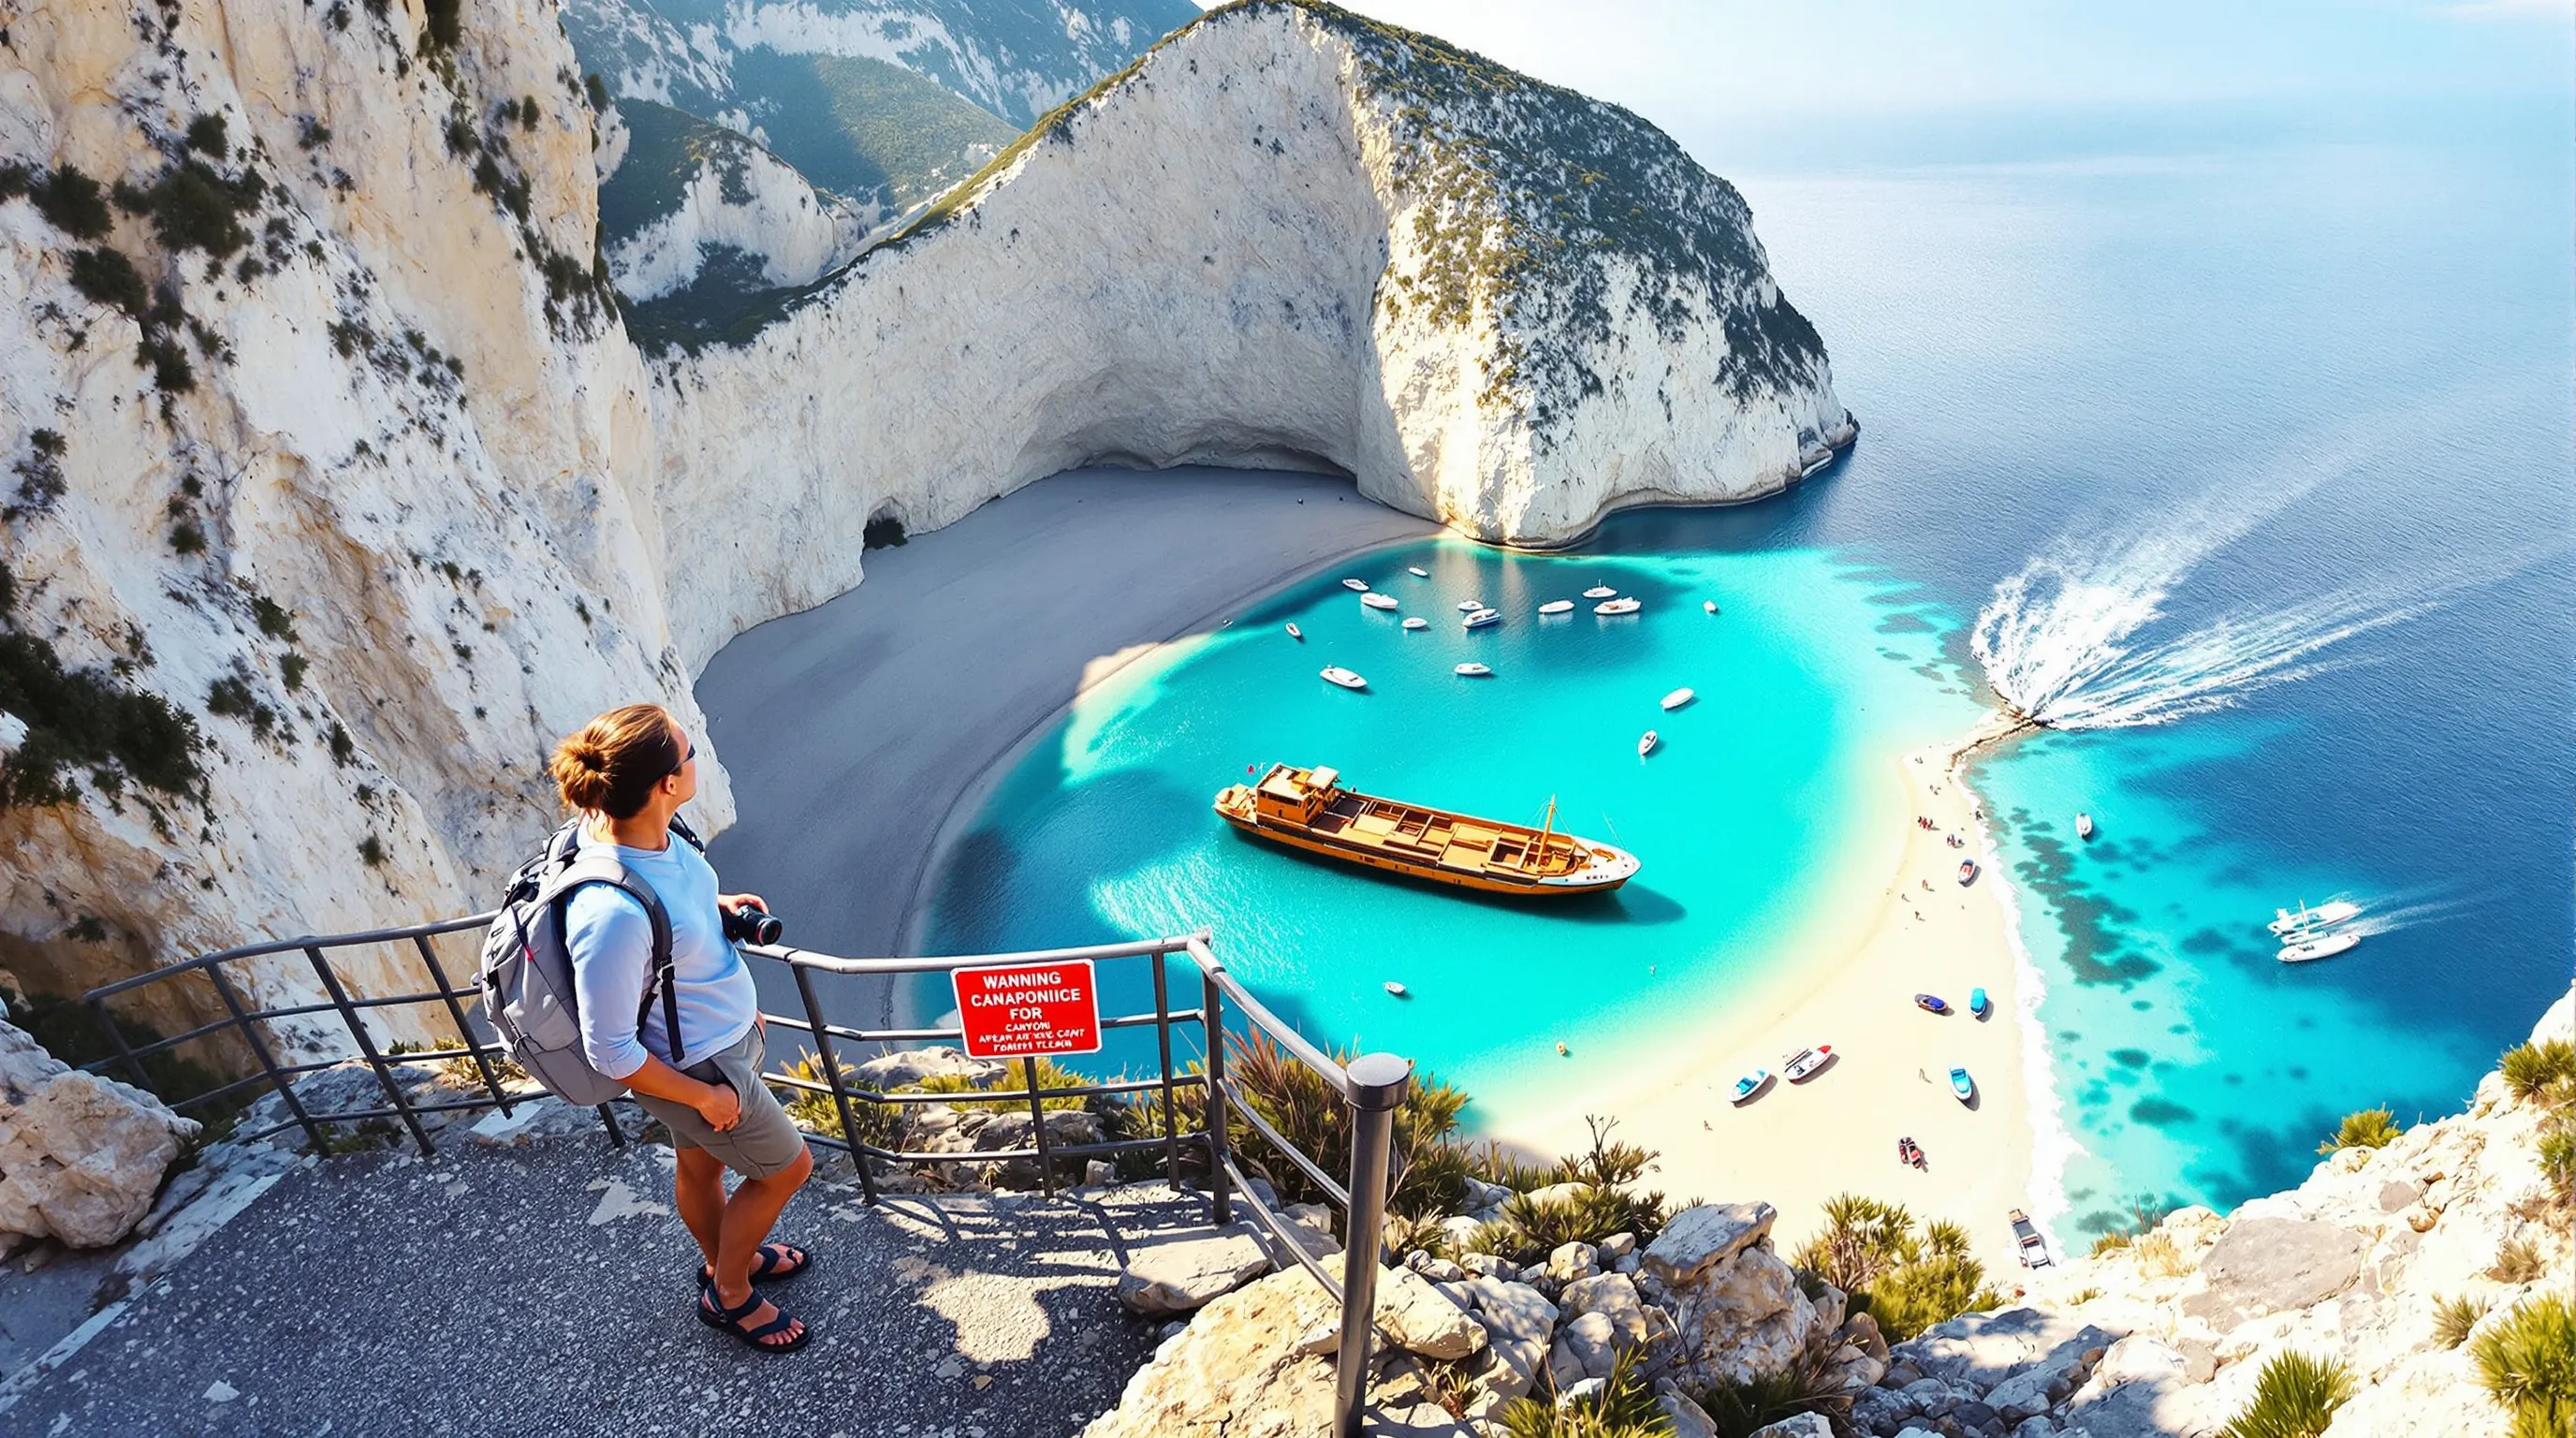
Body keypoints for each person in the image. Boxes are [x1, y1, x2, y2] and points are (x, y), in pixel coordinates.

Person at [548, 703, 816, 1353]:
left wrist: (714, 908)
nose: (699, 756)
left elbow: (668, 905)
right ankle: (730, 1294)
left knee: (700, 1171)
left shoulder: (637, 830)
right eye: (690, 751)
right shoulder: (609, 914)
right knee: (787, 1170)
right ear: (667, 782)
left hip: (714, 1045)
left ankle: (730, 1257)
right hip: (697, 1070)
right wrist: (704, 1096)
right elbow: (610, 1050)